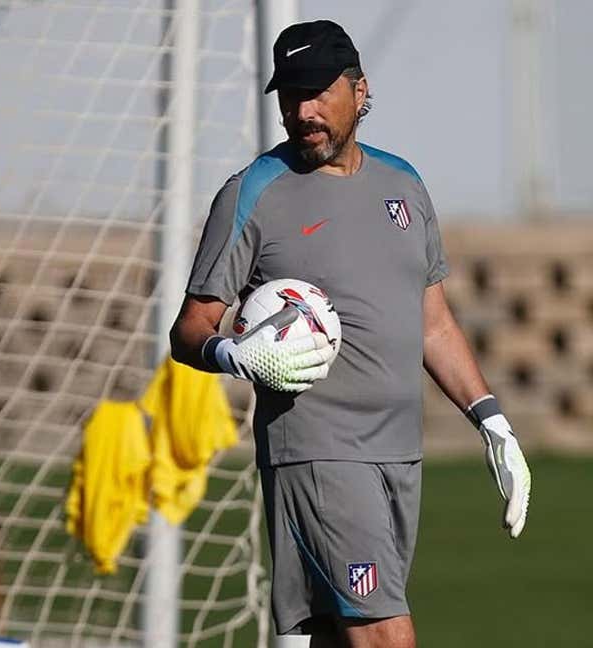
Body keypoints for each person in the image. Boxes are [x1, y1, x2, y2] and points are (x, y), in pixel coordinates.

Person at [169, 20, 532, 648]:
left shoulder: (404, 186)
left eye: (317, 93)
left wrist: (492, 421)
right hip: (316, 451)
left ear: (361, 91)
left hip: (397, 453)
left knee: (337, 634)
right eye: (290, 96)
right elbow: (190, 329)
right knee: (386, 634)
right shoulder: (253, 192)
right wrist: (235, 353)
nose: (302, 112)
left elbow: (434, 323)